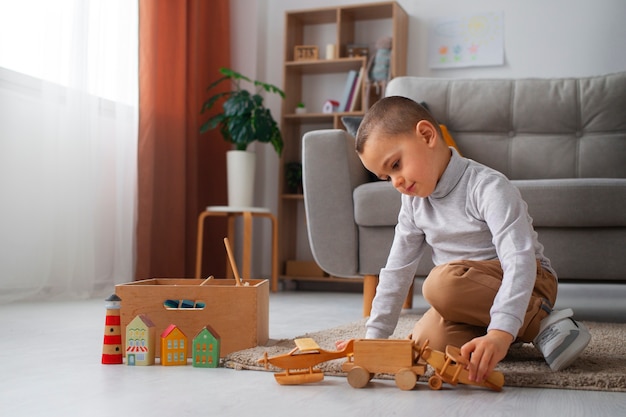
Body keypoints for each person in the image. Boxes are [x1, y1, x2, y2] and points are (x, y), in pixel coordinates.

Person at [351, 96, 591, 382]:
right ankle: (518, 330)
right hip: (466, 298)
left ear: (426, 135)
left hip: (531, 281)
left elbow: (519, 260)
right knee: (425, 344)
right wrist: (373, 339)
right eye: (386, 177)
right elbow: (397, 271)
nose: (396, 182)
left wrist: (500, 332)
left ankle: (538, 320)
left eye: (396, 165)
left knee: (440, 285)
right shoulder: (413, 204)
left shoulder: (487, 186)